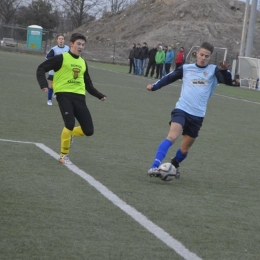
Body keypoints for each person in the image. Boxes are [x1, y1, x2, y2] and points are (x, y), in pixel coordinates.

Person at [146, 42, 232, 179]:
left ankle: (173, 165)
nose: (203, 58)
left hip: (198, 116)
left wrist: (223, 71)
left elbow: (227, 81)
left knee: (185, 149)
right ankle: (154, 166)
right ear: (197, 54)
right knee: (172, 136)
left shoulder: (214, 70)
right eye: (201, 54)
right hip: (182, 109)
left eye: (207, 56)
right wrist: (154, 86)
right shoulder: (186, 68)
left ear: (210, 57)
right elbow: (169, 77)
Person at [36, 33, 107, 164]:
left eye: (83, 45)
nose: (81, 47)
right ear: (71, 44)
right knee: (69, 123)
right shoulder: (61, 58)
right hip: (63, 95)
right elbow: (41, 68)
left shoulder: (83, 62)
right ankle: (63, 155)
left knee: (89, 131)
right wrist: (43, 84)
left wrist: (99, 95)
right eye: (78, 44)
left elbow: (88, 84)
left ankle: (70, 135)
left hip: (79, 98)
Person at [45, 34, 70, 106]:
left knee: (62, 85)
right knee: (51, 85)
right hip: (53, 71)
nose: (61, 40)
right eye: (59, 39)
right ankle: (49, 100)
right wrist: (54, 63)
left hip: (62, 71)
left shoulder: (67, 49)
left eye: (62, 39)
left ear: (64, 40)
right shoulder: (54, 49)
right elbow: (47, 58)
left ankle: (56, 93)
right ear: (57, 40)